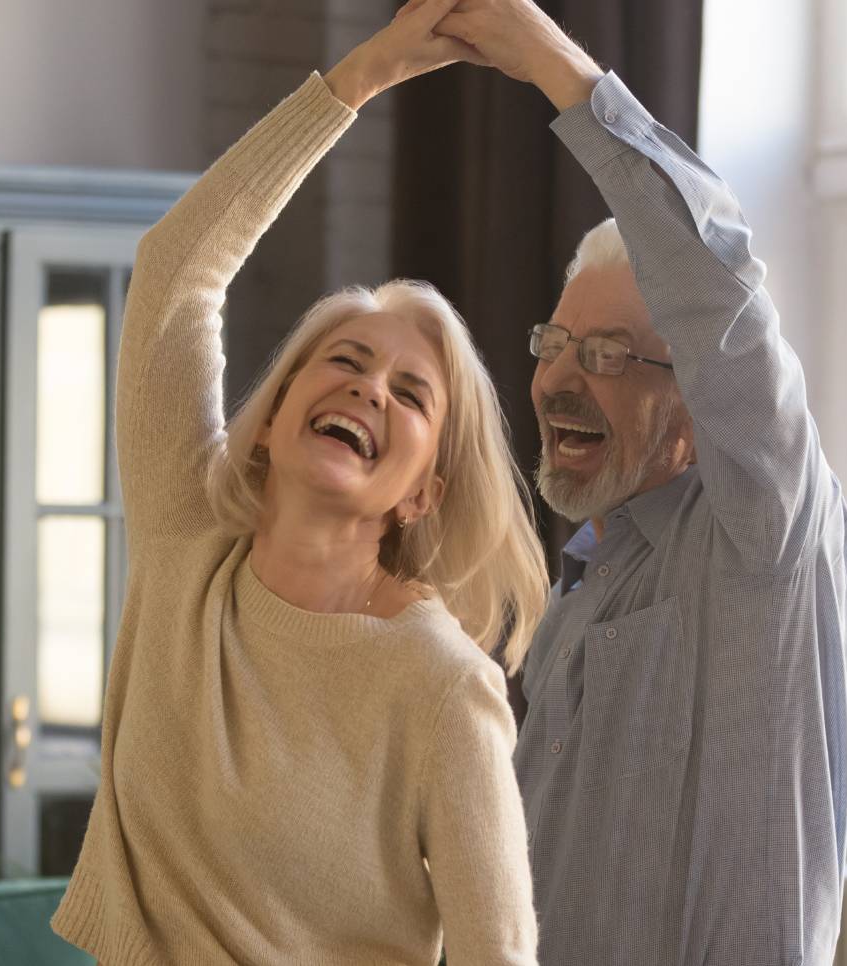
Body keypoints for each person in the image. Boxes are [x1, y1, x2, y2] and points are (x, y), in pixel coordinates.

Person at [47, 2, 546, 964]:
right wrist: (356, 80)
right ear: (273, 417)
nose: (369, 388)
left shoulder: (443, 689)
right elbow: (175, 276)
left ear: (422, 494)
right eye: (347, 360)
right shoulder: (186, 537)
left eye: (410, 394)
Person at [433, 3, 847, 963]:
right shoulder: (584, 586)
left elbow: (720, 290)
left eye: (610, 354)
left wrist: (553, 65)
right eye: (556, 344)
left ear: (699, 399)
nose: (558, 380)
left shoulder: (769, 543)